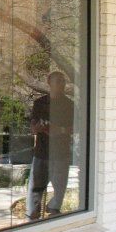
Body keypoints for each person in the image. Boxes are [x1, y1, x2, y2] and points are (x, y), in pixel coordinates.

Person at [26, 71, 74, 219]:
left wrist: (59, 130)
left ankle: (52, 210)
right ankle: (32, 215)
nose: (61, 84)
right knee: (35, 189)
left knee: (59, 190)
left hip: (61, 154)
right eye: (58, 81)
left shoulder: (69, 105)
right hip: (41, 153)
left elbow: (75, 128)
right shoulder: (40, 103)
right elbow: (33, 128)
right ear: (49, 82)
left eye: (63, 81)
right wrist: (39, 128)